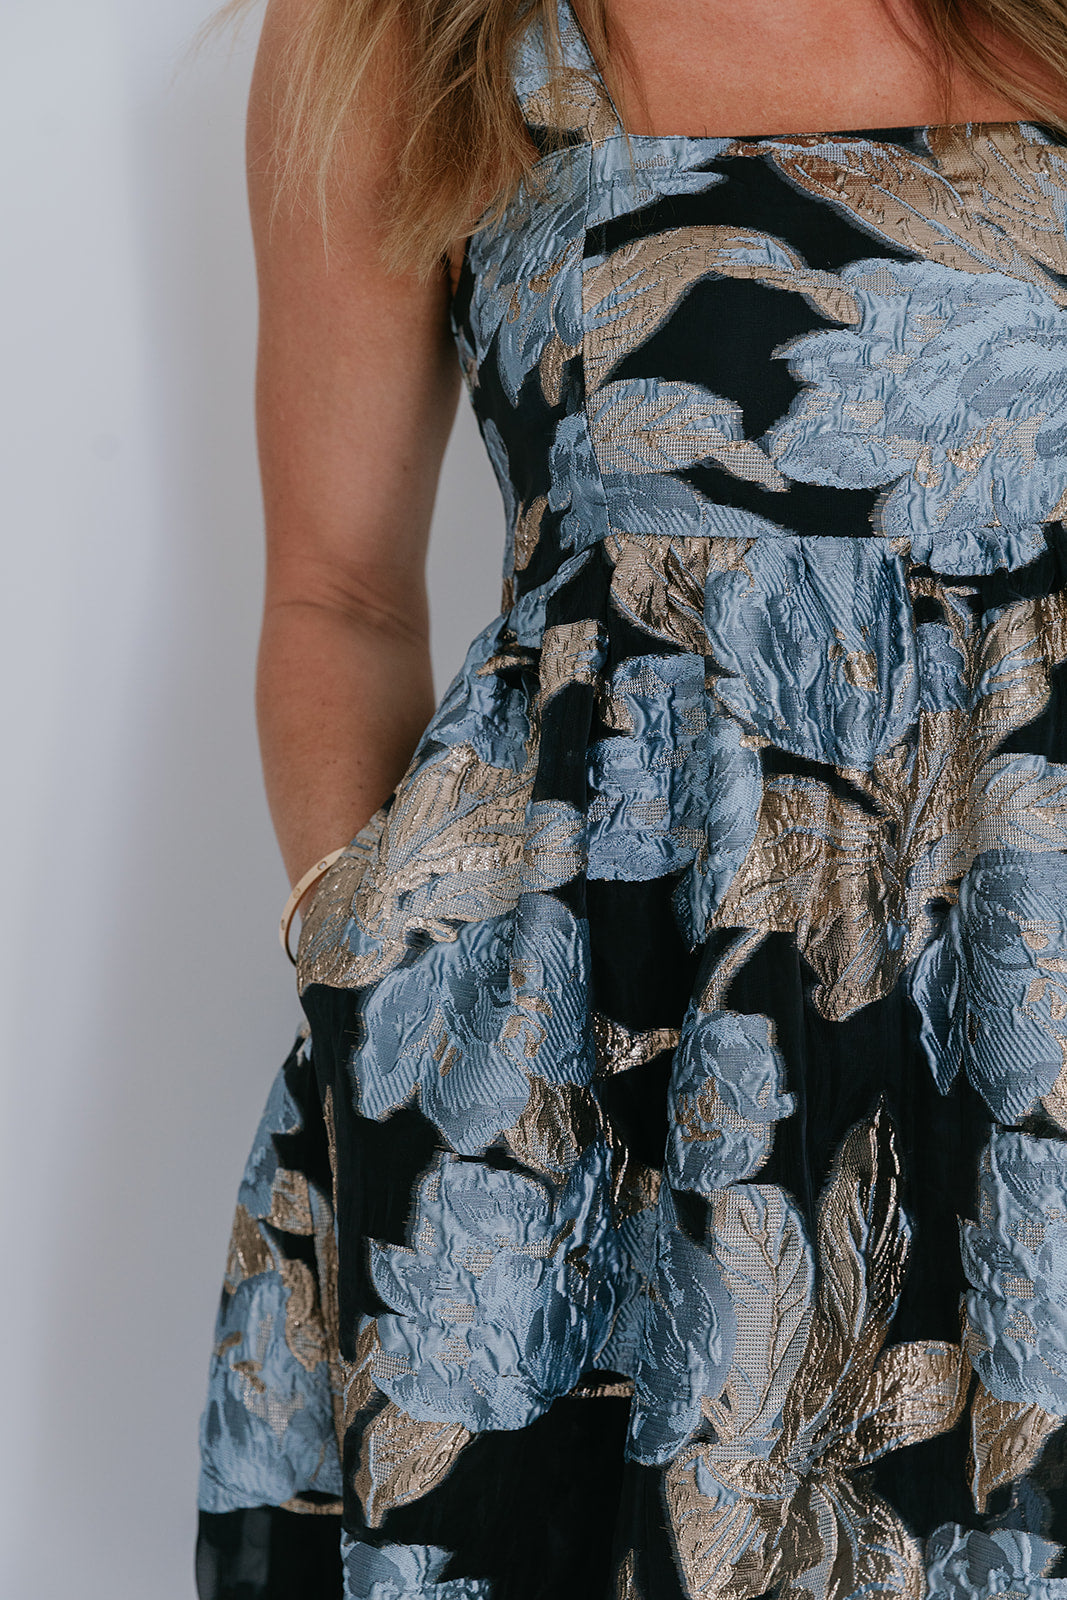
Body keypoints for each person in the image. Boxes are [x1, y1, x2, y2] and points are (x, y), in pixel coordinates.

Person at [195, 1, 1067, 1595]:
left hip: (1032, 1028)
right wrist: (359, 945)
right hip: (607, 1061)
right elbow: (338, 592)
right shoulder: (404, 31)